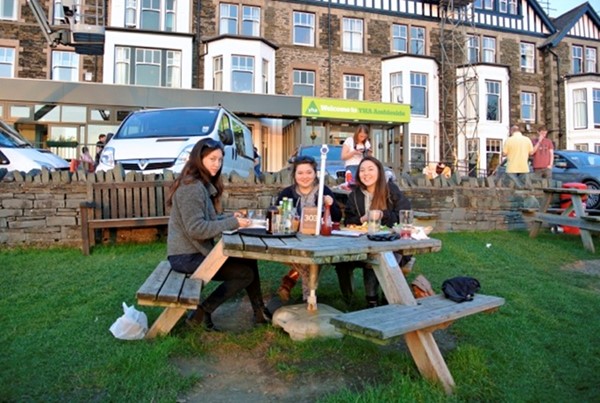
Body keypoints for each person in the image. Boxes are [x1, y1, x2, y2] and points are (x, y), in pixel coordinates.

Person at [166, 138, 269, 331]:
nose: (217, 164)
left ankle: (259, 312)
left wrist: (230, 216)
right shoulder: (191, 188)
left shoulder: (199, 185)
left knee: (249, 260)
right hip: (185, 257)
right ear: (199, 159)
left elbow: (208, 219)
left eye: (220, 160)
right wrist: (233, 223)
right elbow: (196, 229)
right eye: (212, 159)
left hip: (194, 252)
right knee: (244, 274)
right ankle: (203, 311)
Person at [335, 156, 413, 307]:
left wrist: (383, 215)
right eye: (362, 170)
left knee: (380, 257)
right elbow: (349, 221)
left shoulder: (391, 190)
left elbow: (404, 215)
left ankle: (381, 298)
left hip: (392, 243)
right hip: (361, 244)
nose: (366, 173)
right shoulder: (355, 195)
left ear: (379, 172)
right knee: (343, 261)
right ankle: (359, 299)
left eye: (371, 169)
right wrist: (362, 219)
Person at [276, 155, 342, 302]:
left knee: (311, 257)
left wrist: (329, 205)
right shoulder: (287, 194)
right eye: (300, 173)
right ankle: (309, 296)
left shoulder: (323, 191)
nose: (304, 176)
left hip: (319, 240)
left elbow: (336, 217)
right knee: (307, 260)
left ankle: (296, 288)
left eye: (309, 172)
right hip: (293, 240)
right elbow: (277, 216)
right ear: (294, 175)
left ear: (315, 173)